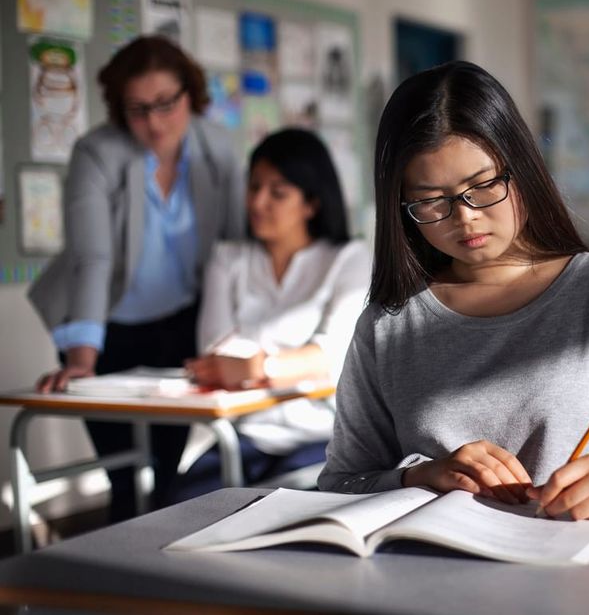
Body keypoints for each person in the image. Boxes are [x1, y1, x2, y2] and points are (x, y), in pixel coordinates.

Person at [317, 60, 589, 615]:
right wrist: (420, 476)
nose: (465, 219)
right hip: (435, 594)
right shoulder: (389, 323)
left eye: (483, 187)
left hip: (587, 593)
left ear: (519, 169)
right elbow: (339, 485)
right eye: (431, 201)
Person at [30, 35, 244, 522]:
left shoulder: (218, 149)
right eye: (137, 109)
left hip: (180, 323)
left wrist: (233, 343)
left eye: (166, 104)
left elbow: (233, 251)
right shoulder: (96, 154)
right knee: (123, 474)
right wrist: (82, 363)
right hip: (102, 326)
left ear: (190, 93)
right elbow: (93, 257)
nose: (153, 122)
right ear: (119, 109)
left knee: (168, 473)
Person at [171, 128, 370, 501]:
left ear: (311, 203)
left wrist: (256, 367)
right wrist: (284, 364)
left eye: (277, 193)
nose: (258, 202)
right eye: (254, 187)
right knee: (180, 509)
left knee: (279, 513)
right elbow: (215, 352)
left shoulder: (348, 259)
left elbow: (331, 355)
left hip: (319, 433)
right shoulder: (227, 259)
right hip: (241, 433)